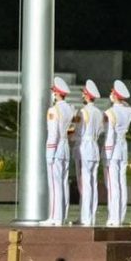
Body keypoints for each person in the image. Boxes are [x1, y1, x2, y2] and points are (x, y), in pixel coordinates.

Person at [103, 79, 131, 227]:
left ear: (115, 95)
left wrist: (107, 154)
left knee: (113, 185)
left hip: (113, 148)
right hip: (123, 147)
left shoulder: (110, 112)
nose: (110, 94)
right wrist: (124, 103)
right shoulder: (128, 111)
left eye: (112, 92)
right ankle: (120, 216)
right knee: (122, 184)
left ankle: (114, 218)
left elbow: (110, 135)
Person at [45, 76, 75, 226]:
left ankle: (54, 218)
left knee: (54, 184)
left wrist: (50, 153)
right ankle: (62, 215)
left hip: (56, 148)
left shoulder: (53, 109)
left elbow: (52, 134)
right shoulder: (69, 109)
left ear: (56, 93)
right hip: (65, 147)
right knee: (63, 183)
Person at [76, 79, 104, 226]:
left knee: (85, 184)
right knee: (92, 183)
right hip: (94, 146)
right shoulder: (99, 112)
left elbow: (78, 130)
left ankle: (85, 218)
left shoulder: (83, 111)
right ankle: (90, 216)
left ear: (86, 96)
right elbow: (101, 130)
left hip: (85, 147)